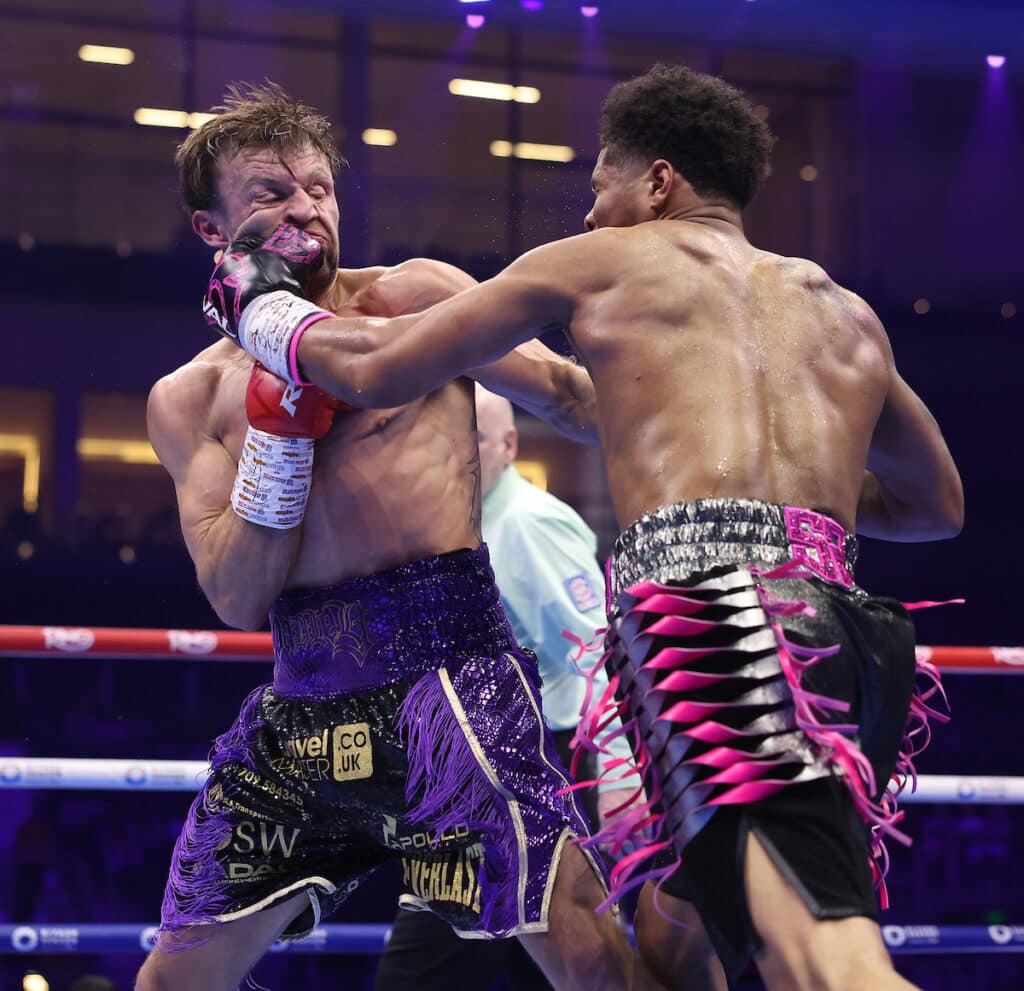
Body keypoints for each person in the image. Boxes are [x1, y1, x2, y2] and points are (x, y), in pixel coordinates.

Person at [202, 64, 965, 991]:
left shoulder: (599, 261)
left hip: (720, 620)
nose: (594, 213)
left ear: (658, 181)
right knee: (684, 940)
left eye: (601, 186)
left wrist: (263, 305)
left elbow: (373, 369)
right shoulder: (842, 310)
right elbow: (935, 508)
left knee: (826, 959)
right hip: (848, 631)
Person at [140, 81, 664, 991]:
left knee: (584, 952)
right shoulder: (190, 398)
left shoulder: (416, 298)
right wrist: (280, 435)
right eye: (272, 193)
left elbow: (572, 397)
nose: (306, 208)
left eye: (319, 187)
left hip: (452, 681)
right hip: (304, 704)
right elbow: (234, 593)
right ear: (211, 230)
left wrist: (702, 435)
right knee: (172, 977)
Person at [375, 385, 643, 991]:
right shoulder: (454, 525)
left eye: (470, 439)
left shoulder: (528, 522)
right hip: (477, 775)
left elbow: (595, 649)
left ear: (507, 445)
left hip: (540, 774)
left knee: (428, 966)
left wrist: (619, 771)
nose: (454, 454)